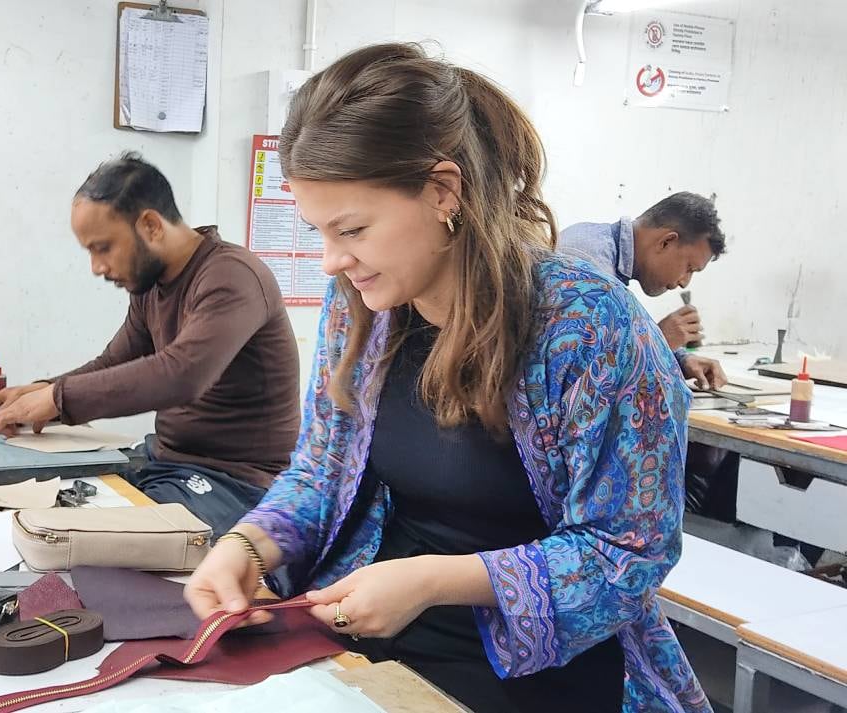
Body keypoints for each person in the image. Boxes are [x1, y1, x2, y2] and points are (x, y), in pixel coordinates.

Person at [185, 44, 711, 713]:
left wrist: (436, 580)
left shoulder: (587, 325)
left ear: (443, 191)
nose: (329, 260)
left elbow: (629, 553)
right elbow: (321, 472)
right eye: (318, 231)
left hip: (538, 671)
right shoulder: (363, 313)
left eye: (351, 229)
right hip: (373, 633)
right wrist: (248, 543)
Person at [0, 153, 300, 534]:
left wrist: (58, 399)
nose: (97, 268)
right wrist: (43, 389)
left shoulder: (232, 276)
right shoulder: (151, 285)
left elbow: (181, 374)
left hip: (236, 482)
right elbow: (113, 362)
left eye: (103, 248)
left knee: (96, 542)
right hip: (164, 459)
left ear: (150, 225)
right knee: (39, 507)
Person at [558, 193, 729, 390]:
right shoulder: (591, 267)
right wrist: (659, 342)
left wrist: (681, 360)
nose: (684, 282)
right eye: (689, 268)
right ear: (666, 242)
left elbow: (619, 337)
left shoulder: (604, 251)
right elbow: (583, 378)